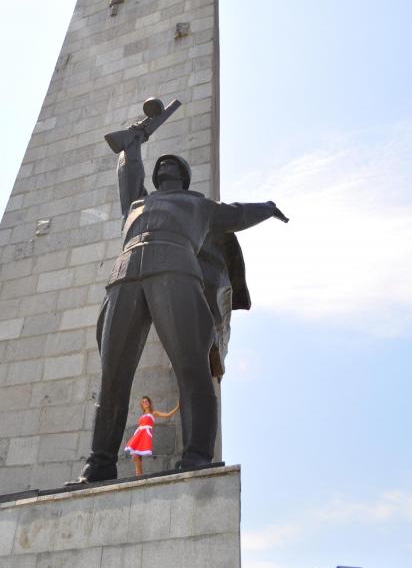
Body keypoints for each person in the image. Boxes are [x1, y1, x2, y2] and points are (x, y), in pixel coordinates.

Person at [80, 120, 289, 484]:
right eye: (161, 163)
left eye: (173, 163)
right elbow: (129, 171)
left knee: (191, 366)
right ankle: (99, 465)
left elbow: (238, 213)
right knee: (112, 375)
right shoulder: (137, 202)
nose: (165, 164)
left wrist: (268, 207)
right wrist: (134, 142)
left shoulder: (201, 206)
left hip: (176, 267)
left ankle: (197, 455)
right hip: (124, 275)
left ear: (185, 177)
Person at [124, 396, 180, 476]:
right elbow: (140, 425)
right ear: (141, 405)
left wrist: (177, 407)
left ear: (149, 403)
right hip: (138, 434)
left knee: (135, 457)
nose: (145, 403)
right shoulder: (142, 415)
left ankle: (139, 477)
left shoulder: (153, 413)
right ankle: (138, 476)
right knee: (135, 457)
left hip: (145, 435)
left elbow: (167, 415)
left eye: (146, 401)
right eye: (143, 402)